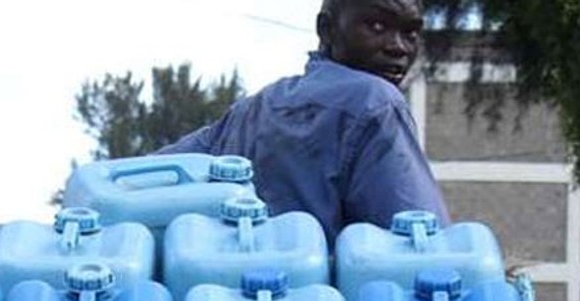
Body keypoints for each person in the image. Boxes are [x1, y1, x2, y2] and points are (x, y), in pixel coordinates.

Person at [156, 0, 450, 248]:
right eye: (377, 27)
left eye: (410, 33)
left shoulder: (250, 110)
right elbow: (422, 245)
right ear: (327, 29)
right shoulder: (377, 103)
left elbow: (137, 179)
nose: (398, 47)